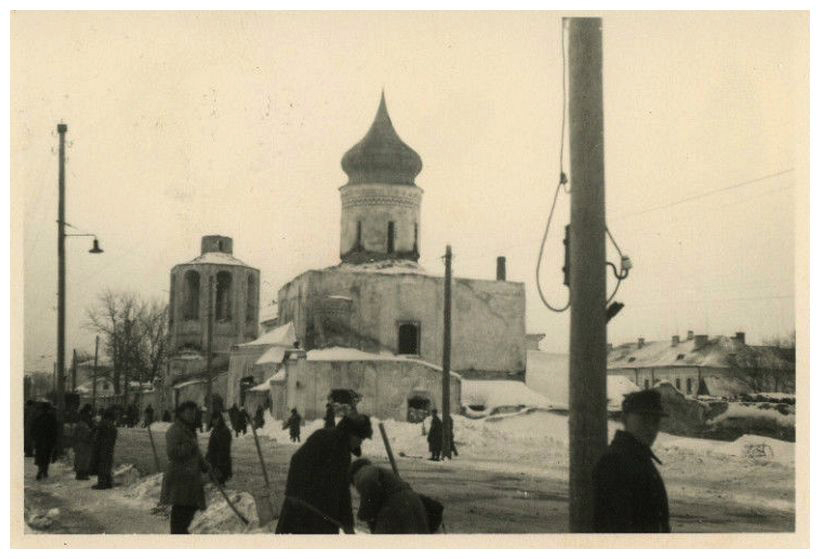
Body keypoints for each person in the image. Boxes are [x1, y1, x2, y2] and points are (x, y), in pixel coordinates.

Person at [275, 414, 373, 534]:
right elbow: (297, 461)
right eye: (360, 438)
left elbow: (343, 489)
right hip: (302, 509)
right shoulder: (323, 437)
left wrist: (348, 523)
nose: (360, 443)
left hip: (324, 515)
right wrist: (294, 494)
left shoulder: (344, 453)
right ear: (351, 434)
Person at [593, 389, 670, 533]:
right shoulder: (614, 462)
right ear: (624, 419)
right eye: (644, 419)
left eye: (655, 421)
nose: (651, 427)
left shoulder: (640, 458)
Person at [160, 401, 208, 534]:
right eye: (189, 412)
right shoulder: (174, 430)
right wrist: (190, 446)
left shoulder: (189, 430)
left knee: (188, 510)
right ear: (181, 413)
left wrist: (206, 466)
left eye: (193, 412)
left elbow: (196, 453)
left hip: (190, 480)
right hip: (179, 480)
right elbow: (172, 452)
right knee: (180, 513)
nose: (192, 415)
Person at [349, 459, 429, 534]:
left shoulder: (364, 472)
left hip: (396, 506)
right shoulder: (383, 473)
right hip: (414, 502)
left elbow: (370, 484)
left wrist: (364, 513)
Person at [31, 401, 58, 480]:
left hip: (39, 440)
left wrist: (34, 438)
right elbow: (55, 430)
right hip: (49, 440)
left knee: (39, 455)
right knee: (47, 455)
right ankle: (44, 470)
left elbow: (33, 430)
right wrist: (55, 440)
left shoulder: (38, 418)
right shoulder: (52, 418)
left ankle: (40, 469)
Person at [92, 408, 118, 489]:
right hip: (110, 448)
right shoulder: (113, 426)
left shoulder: (102, 424)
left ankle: (102, 483)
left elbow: (97, 435)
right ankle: (108, 482)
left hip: (102, 447)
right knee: (108, 464)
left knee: (102, 464)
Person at [205, 413, 232, 486]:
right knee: (216, 483)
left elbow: (224, 449)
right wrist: (207, 458)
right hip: (214, 461)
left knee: (220, 482)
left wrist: (219, 465)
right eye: (213, 419)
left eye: (216, 419)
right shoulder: (215, 430)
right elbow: (210, 446)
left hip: (221, 462)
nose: (214, 421)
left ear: (220, 419)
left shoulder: (224, 431)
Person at [73, 406, 95, 480]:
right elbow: (87, 435)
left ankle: (80, 473)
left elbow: (75, 435)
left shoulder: (79, 424)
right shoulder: (83, 425)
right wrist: (93, 432)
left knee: (80, 459)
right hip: (84, 444)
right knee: (83, 459)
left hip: (80, 444)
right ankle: (81, 474)